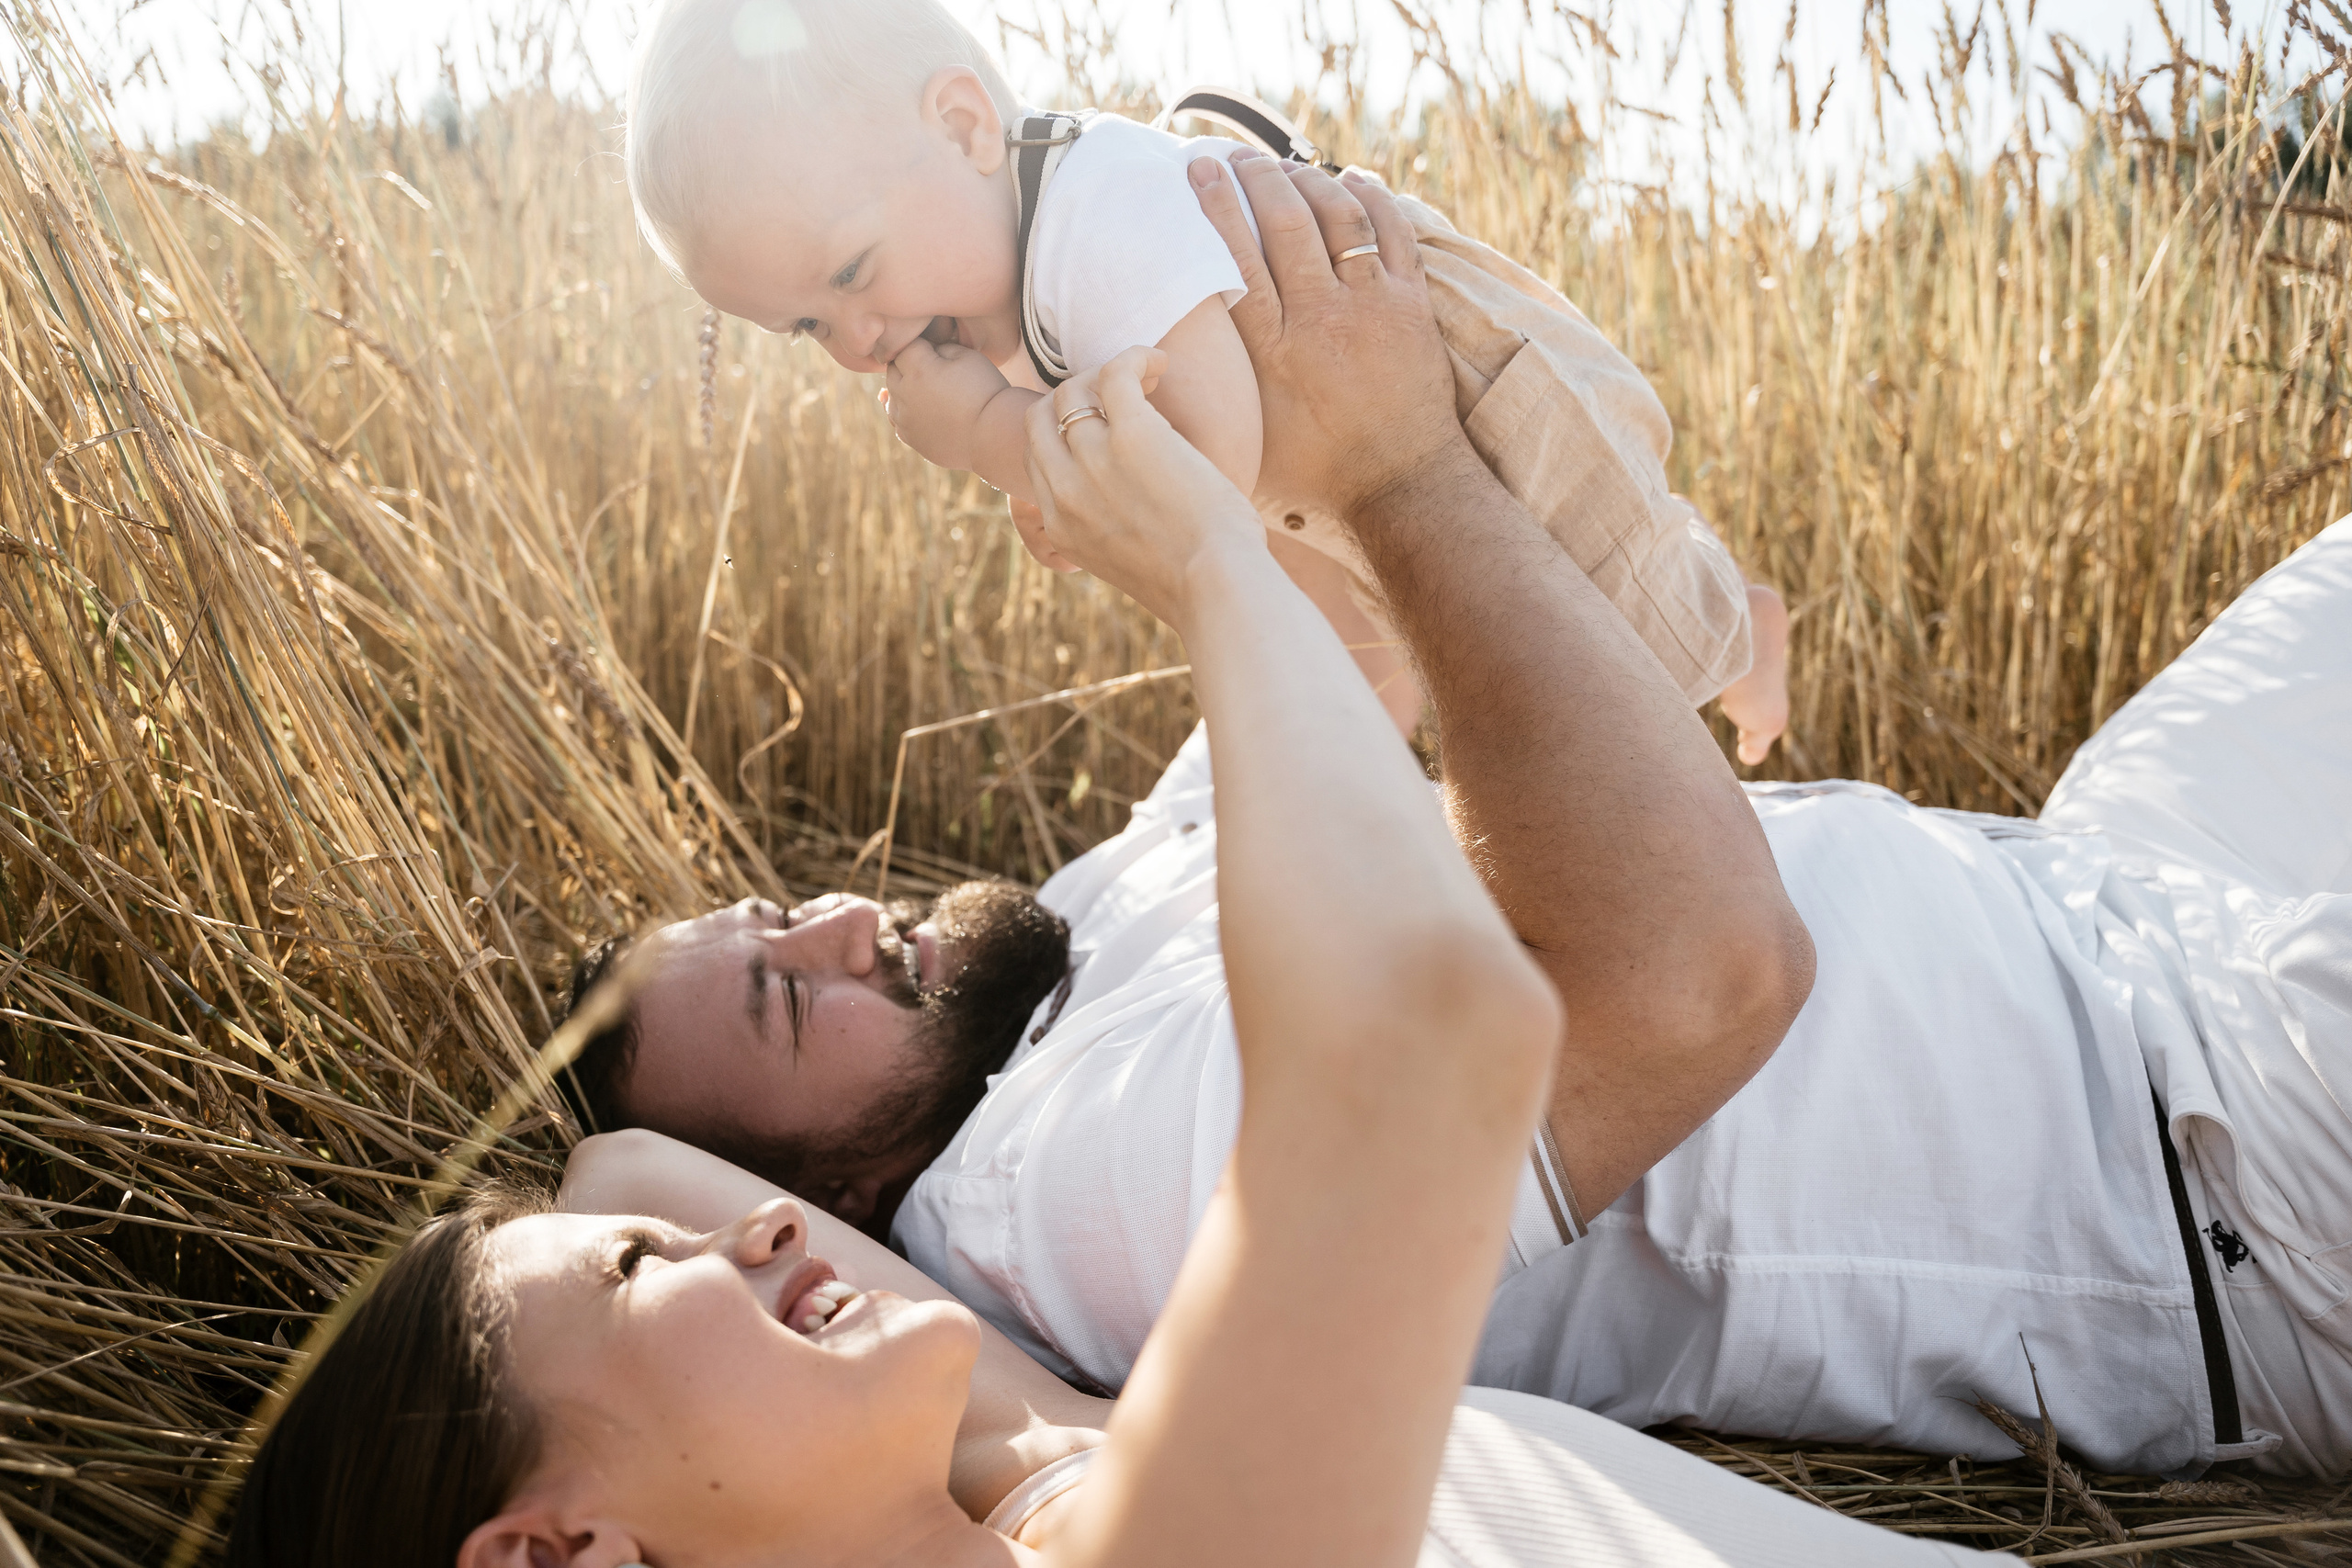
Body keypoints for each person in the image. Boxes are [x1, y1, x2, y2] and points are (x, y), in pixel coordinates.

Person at [564, 155, 2352, 1483]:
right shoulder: (1070, 1195)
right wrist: (1394, 464)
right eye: (786, 999)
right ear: (833, 1195)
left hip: (2101, 888)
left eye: (776, 908)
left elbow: (1350, 658)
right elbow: (1700, 976)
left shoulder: (1067, 945)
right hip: (2210, 1156)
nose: (828, 923)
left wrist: (1057, 372)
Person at [225, 330, 2013, 1568]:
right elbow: (1425, 1047)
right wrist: (1207, 560)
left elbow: (624, 1154)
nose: (748, 1217)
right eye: (631, 1267)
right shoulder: (1128, 1476)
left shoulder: (1029, 1451)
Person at [623, 0, 1792, 761]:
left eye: (849, 273)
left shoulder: (1090, 210)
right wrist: (1057, 472)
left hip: (1476, 397)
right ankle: (1366, 772)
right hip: (1325, 461)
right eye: (802, 327)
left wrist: (994, 434)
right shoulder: (1002, 262)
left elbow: (1199, 460)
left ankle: (1740, 628)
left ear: (967, 124)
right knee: (1363, 649)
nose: (853, 343)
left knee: (1617, 637)